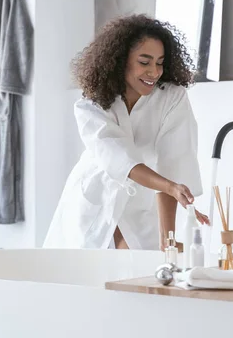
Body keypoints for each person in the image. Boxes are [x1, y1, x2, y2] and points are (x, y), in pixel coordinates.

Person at [43, 14, 209, 251]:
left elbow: (173, 164)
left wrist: (167, 239)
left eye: (160, 62)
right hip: (93, 202)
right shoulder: (91, 105)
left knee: (138, 274)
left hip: (140, 206)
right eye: (144, 62)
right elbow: (119, 159)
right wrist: (169, 186)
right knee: (81, 278)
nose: (154, 72)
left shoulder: (172, 99)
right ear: (120, 60)